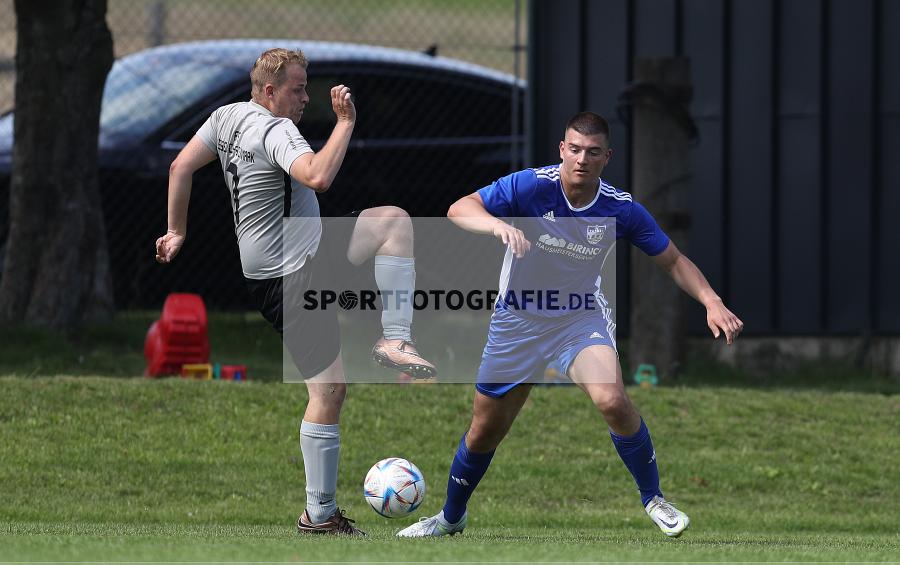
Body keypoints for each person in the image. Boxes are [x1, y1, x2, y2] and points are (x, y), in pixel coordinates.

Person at [397, 111, 743, 539]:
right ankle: (450, 518)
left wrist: (711, 301)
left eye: (592, 152)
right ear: (562, 149)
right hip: (517, 322)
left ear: (607, 157)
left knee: (613, 401)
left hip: (578, 318)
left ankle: (654, 499)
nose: (581, 159)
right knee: (484, 431)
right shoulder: (531, 186)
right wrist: (496, 225)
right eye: (574, 149)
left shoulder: (621, 208)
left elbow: (671, 260)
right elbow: (459, 208)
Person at [155, 48, 436, 536]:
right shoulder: (275, 129)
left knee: (393, 222)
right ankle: (320, 514)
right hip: (293, 277)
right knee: (328, 392)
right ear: (270, 91)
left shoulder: (225, 118)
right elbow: (319, 176)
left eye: (307, 88)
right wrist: (345, 123)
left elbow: (180, 166)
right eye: (298, 88)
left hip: (304, 256)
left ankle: (395, 338)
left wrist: (176, 231)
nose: (307, 98)